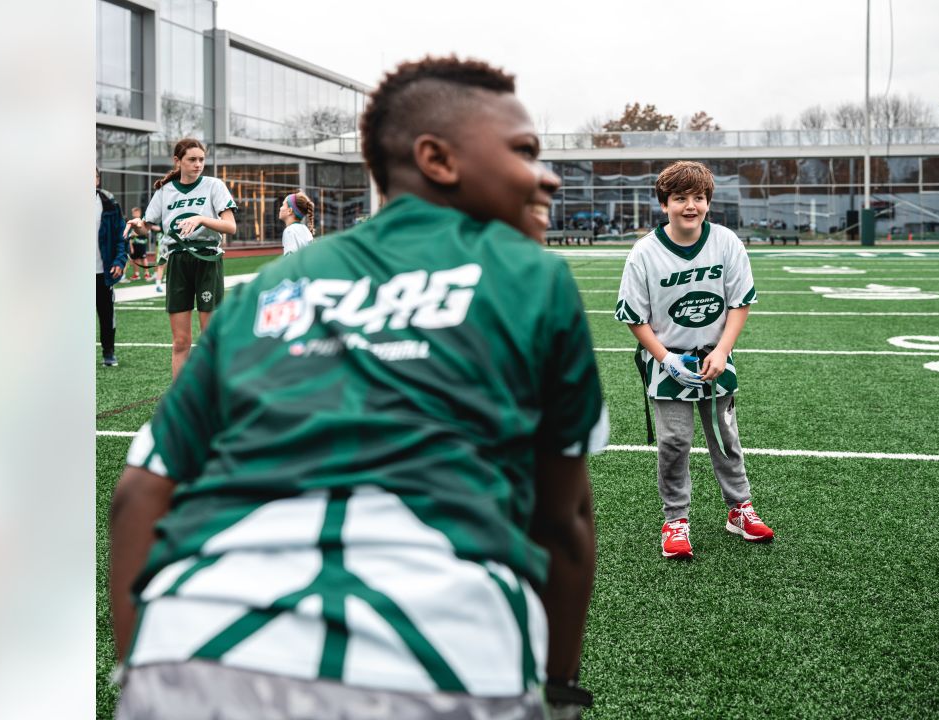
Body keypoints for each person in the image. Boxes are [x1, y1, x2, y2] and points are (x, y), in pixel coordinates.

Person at [110, 56, 607, 720]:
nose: (545, 174)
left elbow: (138, 494)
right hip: (440, 661)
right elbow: (564, 523)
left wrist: (144, 666)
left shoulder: (270, 286)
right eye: (524, 151)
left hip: (195, 651)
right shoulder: (532, 275)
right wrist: (562, 687)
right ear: (437, 159)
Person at [614, 160, 774, 560]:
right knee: (673, 442)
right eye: (680, 198)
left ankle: (739, 508)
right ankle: (675, 519)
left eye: (699, 198)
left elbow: (740, 303)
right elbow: (635, 317)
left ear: (708, 203)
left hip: (716, 361)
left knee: (725, 439)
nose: (691, 206)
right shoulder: (645, 253)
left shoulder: (726, 242)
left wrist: (722, 351)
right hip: (669, 363)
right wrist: (665, 358)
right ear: (664, 203)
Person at [126, 138, 237, 379]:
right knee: (180, 341)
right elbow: (146, 227)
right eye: (192, 160)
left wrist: (202, 219)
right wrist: (137, 226)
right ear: (178, 161)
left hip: (207, 259)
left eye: (201, 160)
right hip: (177, 262)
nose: (198, 165)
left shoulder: (213, 185)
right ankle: (181, 401)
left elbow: (230, 227)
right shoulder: (165, 191)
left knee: (210, 338)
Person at [96, 168, 127, 367]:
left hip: (102, 272)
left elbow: (121, 236)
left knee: (106, 314)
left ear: (97, 178)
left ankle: (109, 352)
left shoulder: (109, 203)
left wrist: (119, 261)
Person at [122, 207, 155, 283]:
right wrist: (131, 246)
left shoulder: (142, 222)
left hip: (141, 244)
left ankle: (146, 274)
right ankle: (136, 274)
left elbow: (146, 232)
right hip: (134, 244)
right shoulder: (132, 222)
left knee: (143, 258)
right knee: (135, 259)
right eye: (132, 212)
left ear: (138, 213)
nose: (133, 214)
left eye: (134, 212)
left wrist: (136, 232)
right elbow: (130, 236)